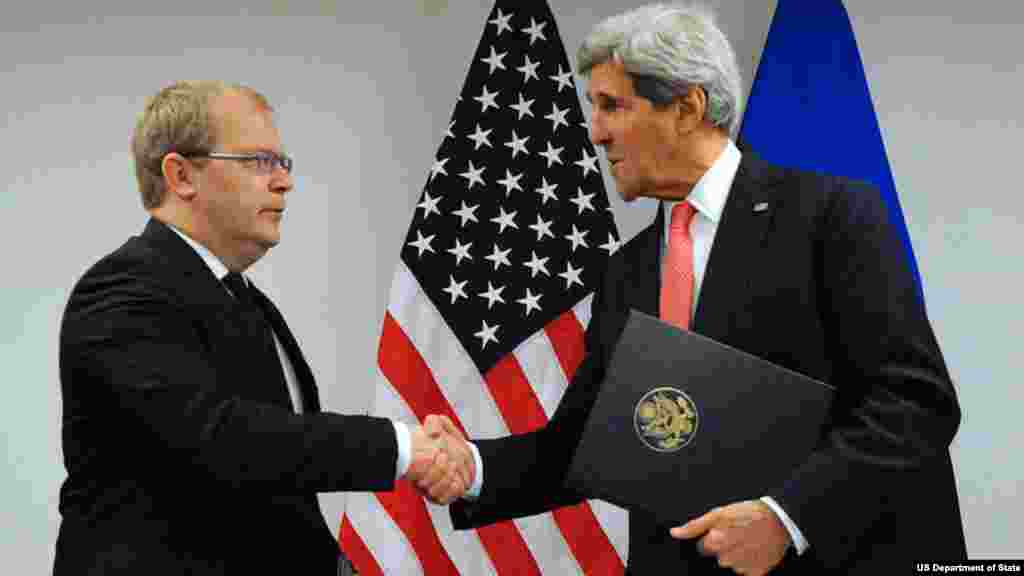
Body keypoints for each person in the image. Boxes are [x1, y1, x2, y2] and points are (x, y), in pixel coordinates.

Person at [439, 3, 966, 574]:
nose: (594, 132)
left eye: (612, 105)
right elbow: (590, 440)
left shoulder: (831, 216)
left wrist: (785, 518)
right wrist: (472, 466)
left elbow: (915, 402)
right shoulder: (626, 271)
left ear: (687, 108)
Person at [54, 81, 472, 575]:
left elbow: (274, 487)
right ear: (182, 174)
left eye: (283, 163)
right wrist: (402, 448)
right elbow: (221, 438)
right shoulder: (122, 292)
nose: (283, 182)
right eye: (258, 161)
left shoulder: (247, 300)